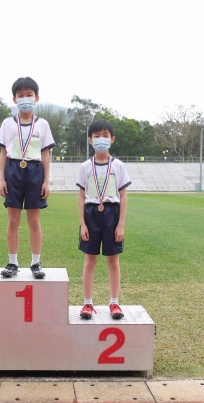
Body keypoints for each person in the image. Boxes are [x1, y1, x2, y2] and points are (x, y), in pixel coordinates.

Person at [0, 76, 56, 279]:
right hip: (13, 170)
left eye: (29, 95)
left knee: (34, 221)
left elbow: (46, 154)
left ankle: (35, 263)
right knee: (13, 220)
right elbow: (3, 152)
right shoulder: (7, 123)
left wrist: (46, 181)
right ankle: (12, 263)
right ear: (14, 99)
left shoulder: (43, 124)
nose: (25, 99)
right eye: (20, 95)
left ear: (36, 98)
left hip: (34, 171)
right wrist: (2, 179)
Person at [76, 119, 131, 320]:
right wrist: (83, 224)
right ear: (90, 140)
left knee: (113, 261)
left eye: (105, 136)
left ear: (112, 139)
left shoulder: (118, 166)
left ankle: (114, 302)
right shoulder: (85, 167)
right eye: (97, 136)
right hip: (91, 213)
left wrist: (121, 224)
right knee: (89, 260)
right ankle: (88, 303)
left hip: (112, 213)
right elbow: (81, 197)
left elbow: (123, 196)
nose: (101, 139)